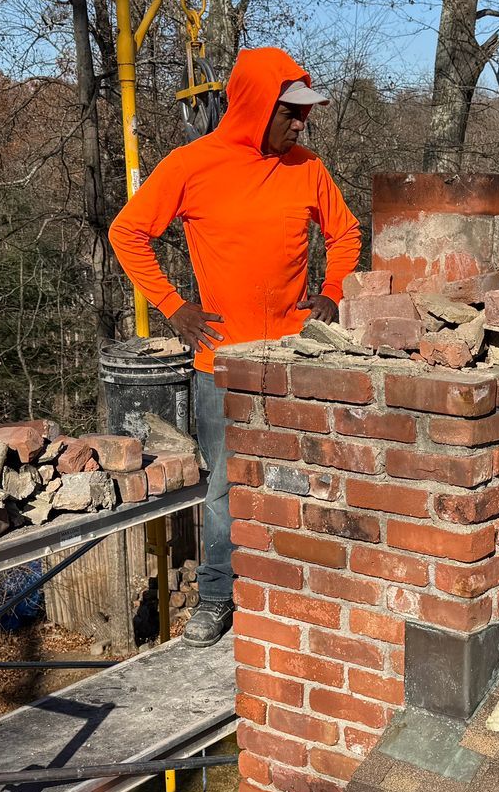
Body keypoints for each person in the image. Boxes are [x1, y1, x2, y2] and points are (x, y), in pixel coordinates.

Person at [110, 47, 361, 647]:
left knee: (300, 473)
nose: (301, 123)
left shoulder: (307, 167)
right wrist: (174, 308)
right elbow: (128, 231)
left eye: (304, 113)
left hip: (296, 358)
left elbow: (346, 232)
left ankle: (295, 584)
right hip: (221, 363)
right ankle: (218, 596)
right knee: (224, 485)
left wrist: (331, 290)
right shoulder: (192, 165)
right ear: (254, 107)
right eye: (290, 112)